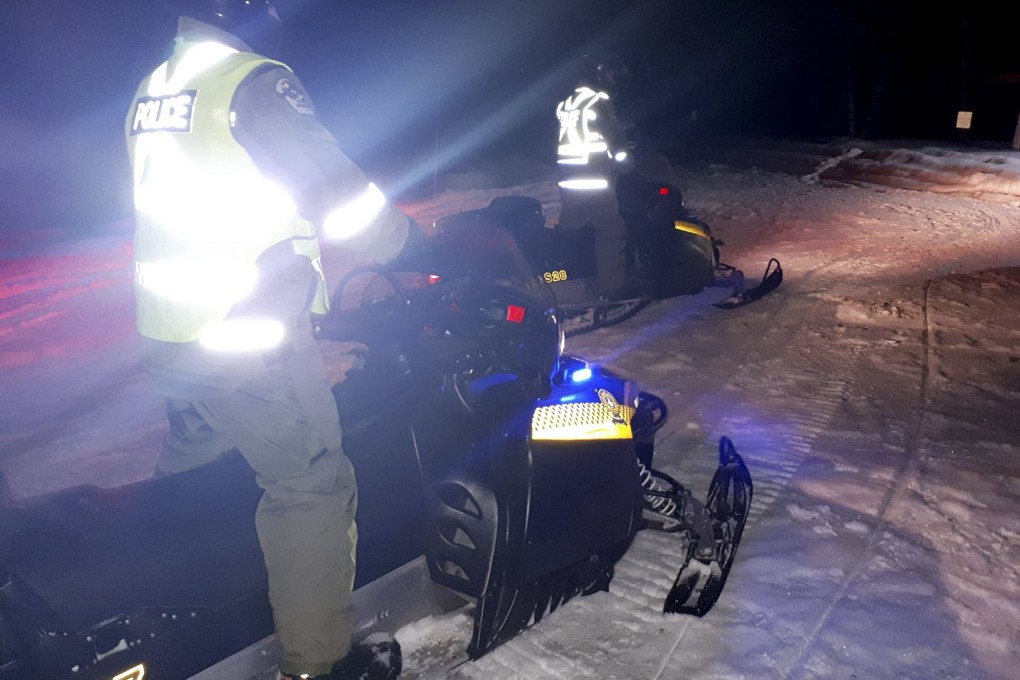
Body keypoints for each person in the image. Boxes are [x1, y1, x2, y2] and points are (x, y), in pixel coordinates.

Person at [125, 1, 426, 677]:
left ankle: (169, 622)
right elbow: (337, 193)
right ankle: (317, 665)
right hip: (246, 335)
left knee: (194, 484)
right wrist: (413, 242)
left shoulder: (157, 87)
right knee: (311, 483)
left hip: (174, 336)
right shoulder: (251, 81)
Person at [555, 54, 634, 299]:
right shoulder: (598, 101)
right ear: (600, 76)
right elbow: (616, 140)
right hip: (595, 179)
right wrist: (626, 163)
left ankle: (565, 283)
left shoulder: (566, 103)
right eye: (610, 75)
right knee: (611, 227)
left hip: (568, 180)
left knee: (572, 230)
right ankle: (613, 289)